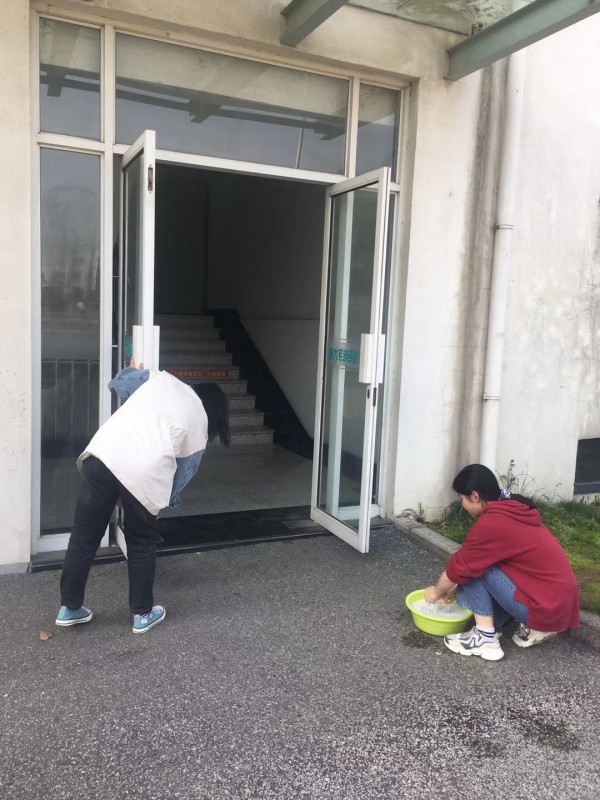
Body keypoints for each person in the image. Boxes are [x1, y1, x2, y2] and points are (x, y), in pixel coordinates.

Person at [55, 363, 230, 634]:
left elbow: (119, 383)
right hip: (144, 473)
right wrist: (163, 501)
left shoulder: (162, 380)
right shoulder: (200, 424)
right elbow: (182, 473)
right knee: (141, 542)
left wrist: (129, 372)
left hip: (101, 456)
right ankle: (142, 613)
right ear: (215, 411)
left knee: (83, 537)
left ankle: (69, 607)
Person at [424, 464, 580, 662]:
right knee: (477, 563)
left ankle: (485, 640)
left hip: (543, 607)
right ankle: (533, 627)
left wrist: (436, 593)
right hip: (557, 603)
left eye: (461, 498)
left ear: (475, 496)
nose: (462, 504)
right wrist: (453, 588)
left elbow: (460, 567)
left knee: (474, 568)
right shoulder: (512, 506)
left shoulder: (493, 523)